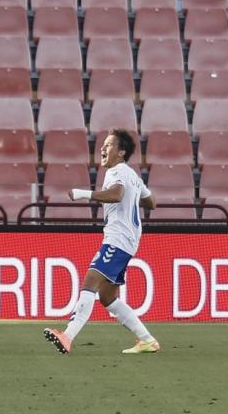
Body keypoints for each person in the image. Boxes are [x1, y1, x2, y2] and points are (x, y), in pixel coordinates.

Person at [44, 129, 160, 355]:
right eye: (103, 145)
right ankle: (147, 340)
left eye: (108, 145)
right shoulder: (132, 175)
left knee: (90, 281)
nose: (102, 149)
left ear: (121, 152)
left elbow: (116, 195)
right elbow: (152, 202)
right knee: (108, 297)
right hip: (128, 239)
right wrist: (133, 199)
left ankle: (68, 336)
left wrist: (83, 194)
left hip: (118, 238)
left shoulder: (117, 172)